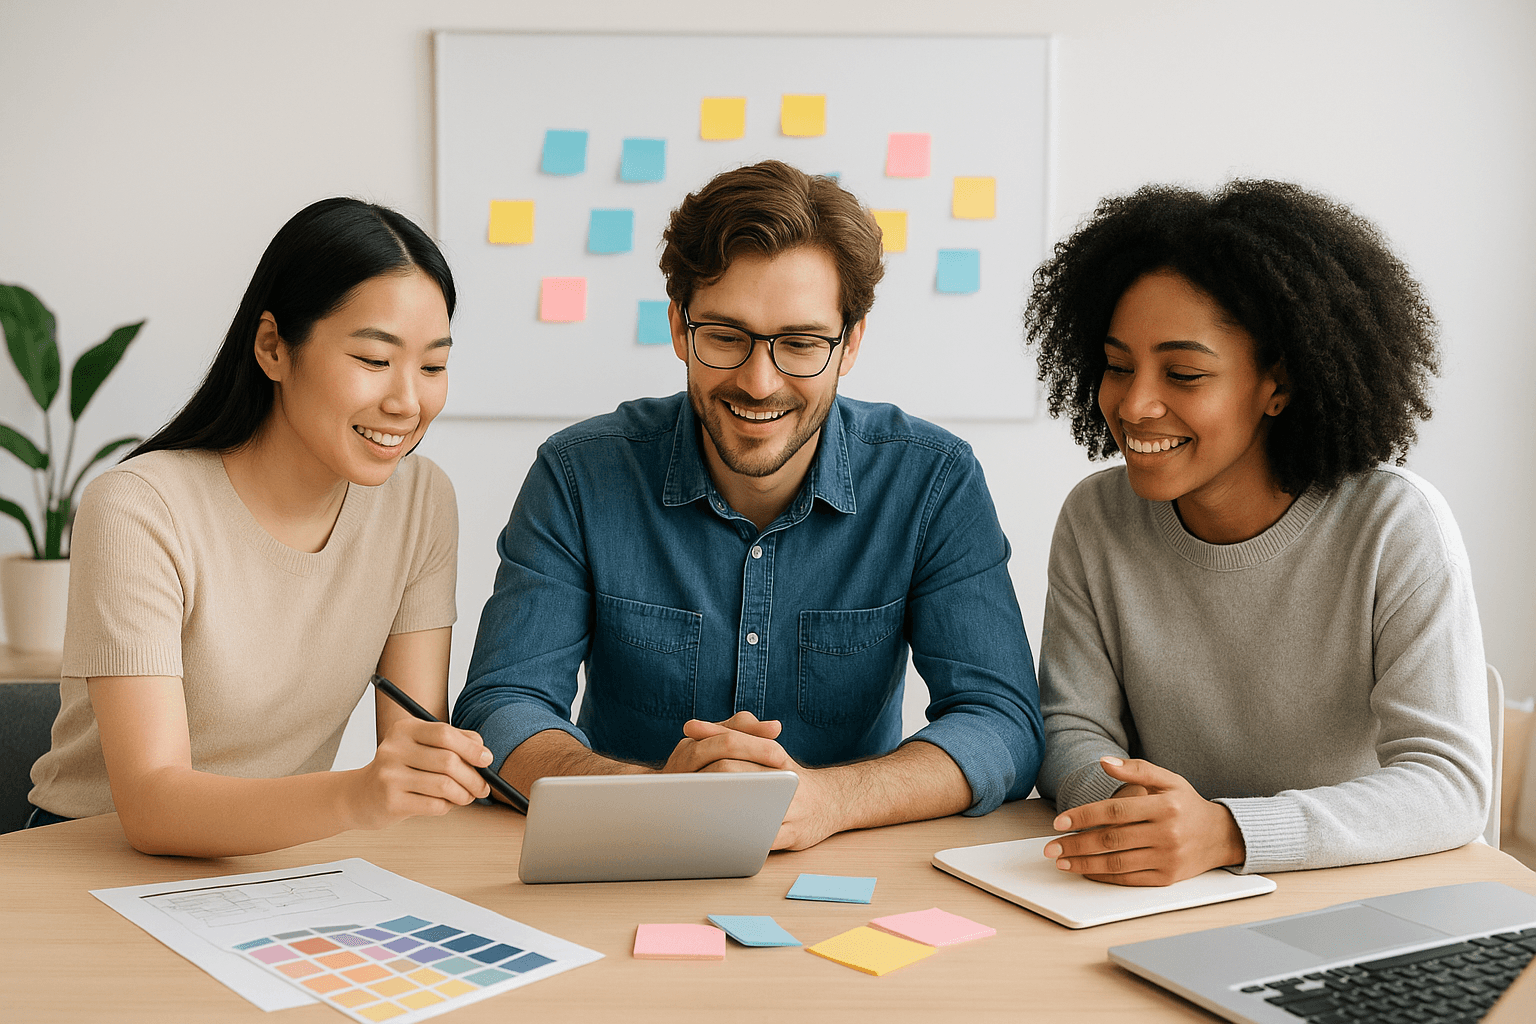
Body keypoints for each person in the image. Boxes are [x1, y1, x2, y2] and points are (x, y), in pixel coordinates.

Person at [454, 160, 1041, 850]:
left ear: (850, 342)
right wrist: (648, 797)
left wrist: (832, 800)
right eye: (727, 337)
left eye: (800, 343)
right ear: (680, 328)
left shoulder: (932, 481)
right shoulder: (578, 475)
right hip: (628, 854)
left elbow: (1002, 722)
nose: (759, 383)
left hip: (850, 862)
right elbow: (502, 707)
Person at [1025, 180, 1489, 885]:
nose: (1135, 403)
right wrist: (1133, 812)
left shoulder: (1393, 526)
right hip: (1168, 890)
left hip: (1352, 888)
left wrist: (1227, 832)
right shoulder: (1098, 519)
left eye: (1183, 373)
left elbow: (1449, 784)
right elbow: (1069, 728)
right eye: (1118, 366)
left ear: (1279, 385)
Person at [26, 198, 494, 856]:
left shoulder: (420, 501)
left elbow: (409, 747)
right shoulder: (139, 508)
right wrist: (356, 796)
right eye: (373, 359)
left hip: (270, 867)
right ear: (273, 347)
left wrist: (435, 771)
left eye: (433, 367)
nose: (407, 402)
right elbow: (152, 805)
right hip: (89, 863)